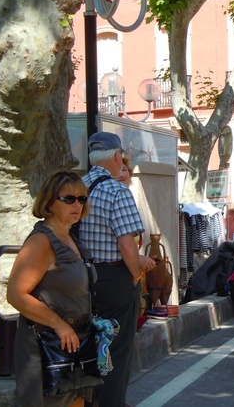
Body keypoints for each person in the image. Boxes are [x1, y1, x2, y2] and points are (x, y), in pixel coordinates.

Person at [79, 132, 156, 407]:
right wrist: (135, 275)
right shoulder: (116, 191)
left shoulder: (78, 188)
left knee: (89, 345)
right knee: (115, 349)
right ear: (116, 156)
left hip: (81, 278)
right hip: (114, 278)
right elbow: (127, 244)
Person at [7, 171, 96, 406]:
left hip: (74, 345)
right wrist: (59, 324)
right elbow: (16, 294)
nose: (77, 204)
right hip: (45, 346)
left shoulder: (71, 239)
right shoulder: (41, 241)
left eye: (82, 199)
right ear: (49, 202)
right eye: (69, 199)